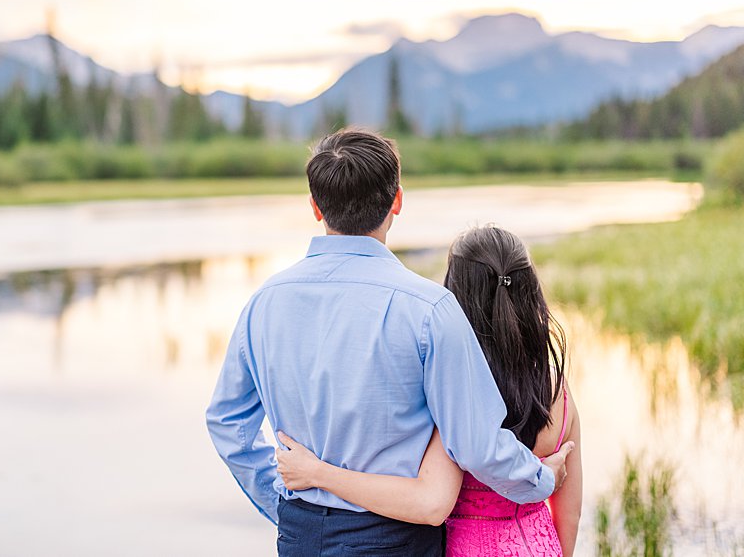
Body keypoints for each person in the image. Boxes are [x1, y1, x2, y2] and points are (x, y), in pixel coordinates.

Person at [205, 128, 572, 557]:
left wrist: (284, 504)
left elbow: (228, 425)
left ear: (315, 207)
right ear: (397, 200)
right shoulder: (430, 309)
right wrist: (543, 479)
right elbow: (476, 445)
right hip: (397, 540)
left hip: (300, 536)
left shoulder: (264, 304)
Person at [275, 226, 584, 557]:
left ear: (456, 295)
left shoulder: (449, 395)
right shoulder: (559, 393)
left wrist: (319, 474)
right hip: (541, 547)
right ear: (530, 293)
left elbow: (428, 501)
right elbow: (570, 513)